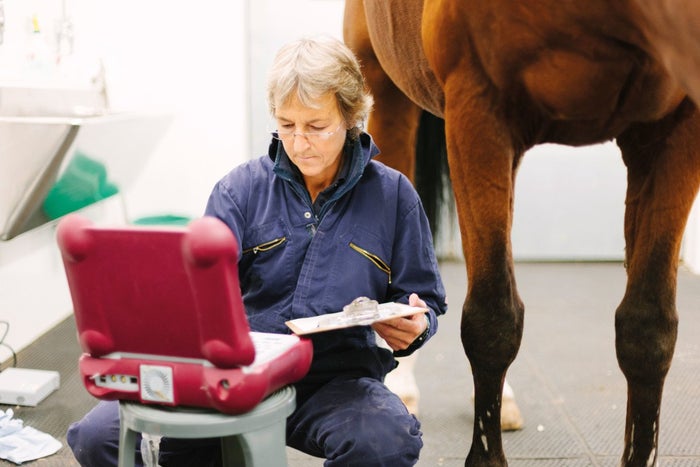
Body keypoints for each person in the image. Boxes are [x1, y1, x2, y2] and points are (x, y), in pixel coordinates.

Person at [66, 35, 447, 467]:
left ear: (351, 115)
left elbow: (423, 298)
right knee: (97, 436)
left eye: (316, 126)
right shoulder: (239, 189)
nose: (300, 141)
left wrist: (418, 324)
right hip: (233, 375)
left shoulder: (394, 196)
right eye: (286, 125)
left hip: (334, 379)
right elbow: (196, 301)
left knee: (385, 442)